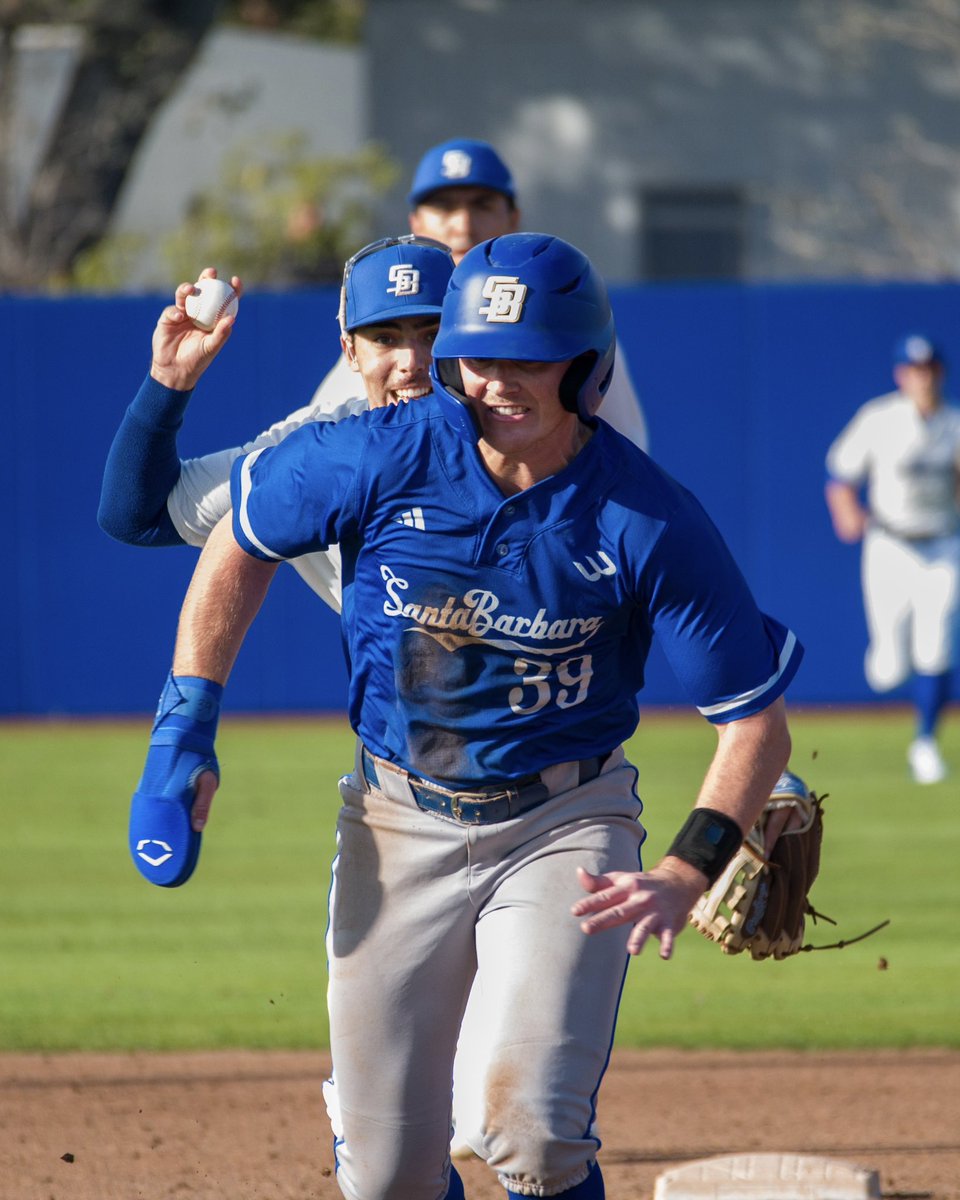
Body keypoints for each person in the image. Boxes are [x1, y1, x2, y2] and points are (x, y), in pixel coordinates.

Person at [126, 232, 801, 1200]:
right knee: (388, 1180)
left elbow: (753, 723)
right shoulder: (375, 451)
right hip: (397, 819)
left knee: (523, 1129)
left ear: (586, 366)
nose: (499, 383)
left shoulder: (645, 518)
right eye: (480, 358)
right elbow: (238, 539)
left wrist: (687, 868)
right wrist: (181, 733)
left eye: (531, 360)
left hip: (566, 823)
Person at [307, 138, 650, 455]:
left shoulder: (566, 322)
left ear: (513, 218)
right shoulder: (382, 332)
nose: (463, 225)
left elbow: (624, 456)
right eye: (443, 207)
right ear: (415, 221)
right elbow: (319, 443)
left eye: (482, 205)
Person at [825, 332, 960, 785]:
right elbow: (840, 473)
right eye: (914, 370)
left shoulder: (954, 423)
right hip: (890, 545)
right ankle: (890, 668)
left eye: (929, 370)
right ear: (901, 374)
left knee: (936, 640)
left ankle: (925, 743)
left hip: (941, 542)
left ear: (939, 373)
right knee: (888, 668)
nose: (922, 378)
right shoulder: (880, 418)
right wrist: (847, 514)